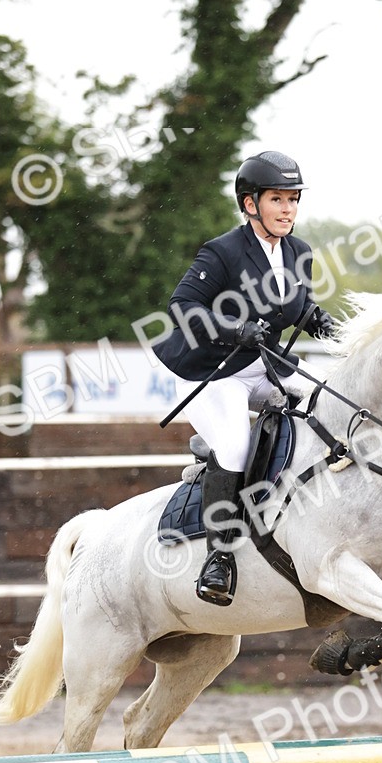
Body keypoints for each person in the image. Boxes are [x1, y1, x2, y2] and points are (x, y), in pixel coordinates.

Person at [153, 150, 335, 606]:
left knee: (329, 399)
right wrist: (232, 327)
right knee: (234, 445)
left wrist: (327, 325)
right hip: (214, 371)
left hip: (264, 365)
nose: (288, 209)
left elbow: (300, 307)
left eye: (293, 199)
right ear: (250, 204)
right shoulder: (222, 251)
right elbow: (182, 307)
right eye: (278, 199)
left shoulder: (299, 252)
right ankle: (219, 558)